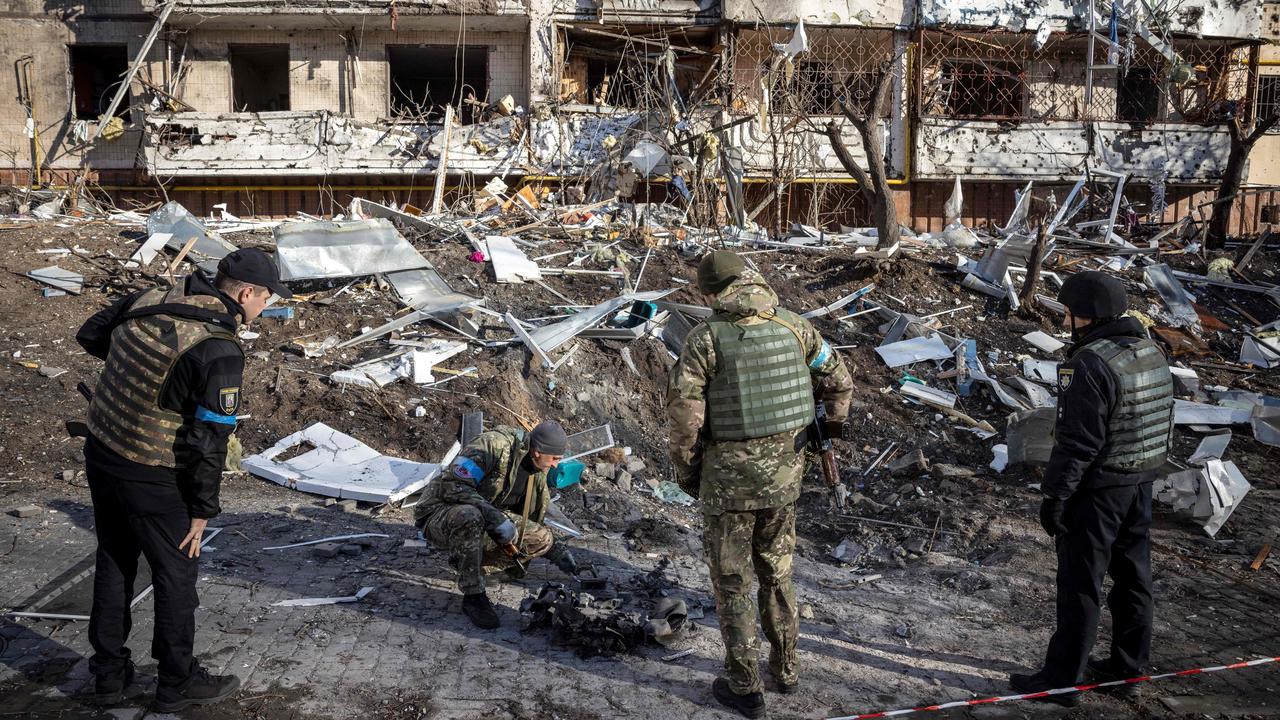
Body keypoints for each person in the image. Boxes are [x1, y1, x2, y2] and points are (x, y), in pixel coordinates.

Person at [76, 248, 290, 712]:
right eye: (267, 299)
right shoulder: (218, 348)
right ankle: (176, 683)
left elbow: (90, 334)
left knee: (115, 558)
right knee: (176, 577)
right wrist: (200, 510)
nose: (266, 309)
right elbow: (208, 441)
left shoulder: (150, 297)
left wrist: (138, 377)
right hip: (153, 474)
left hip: (102, 449)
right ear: (247, 292)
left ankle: (108, 676)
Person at [666, 250, 853, 718]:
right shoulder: (797, 326)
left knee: (732, 582)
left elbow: (686, 417)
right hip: (786, 479)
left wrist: (688, 471)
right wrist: (826, 437)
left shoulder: (705, 338)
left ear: (711, 292)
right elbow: (840, 383)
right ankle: (786, 671)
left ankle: (744, 686)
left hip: (727, 485)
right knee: (778, 573)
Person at [1011, 271, 1173, 706]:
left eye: (1068, 313)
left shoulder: (1088, 362)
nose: (1065, 321)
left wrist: (1056, 495)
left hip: (1098, 490)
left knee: (1081, 583)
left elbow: (1077, 441)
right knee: (1134, 578)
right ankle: (1128, 667)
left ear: (1087, 315)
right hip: (1140, 482)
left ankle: (1062, 680)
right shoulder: (1149, 350)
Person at [413, 421, 580, 629]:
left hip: (486, 517)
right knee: (470, 515)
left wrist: (556, 551)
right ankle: (473, 595)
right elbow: (452, 485)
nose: (556, 464)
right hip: (441, 514)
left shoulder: (538, 468)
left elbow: (535, 515)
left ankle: (478, 567)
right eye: (554, 459)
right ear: (537, 451)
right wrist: (495, 517)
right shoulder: (492, 446)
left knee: (541, 538)